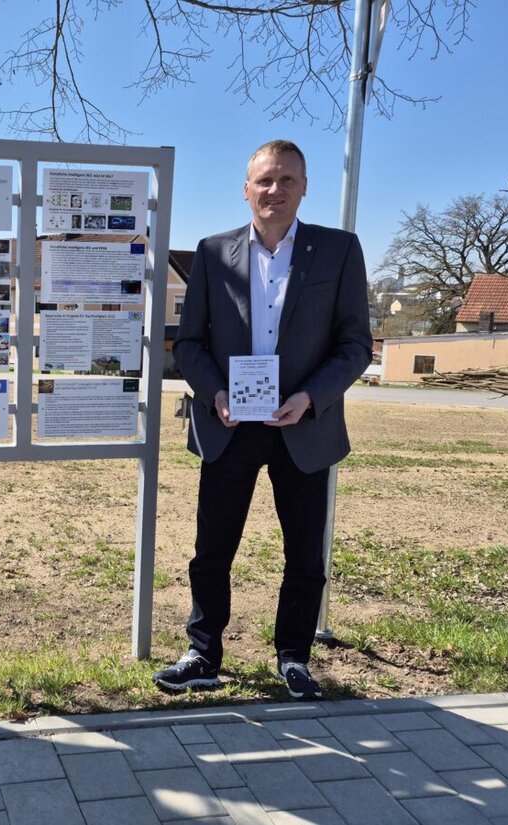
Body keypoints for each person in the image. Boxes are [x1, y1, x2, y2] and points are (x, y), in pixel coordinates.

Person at [153, 140, 372, 700]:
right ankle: (203, 654)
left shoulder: (340, 251)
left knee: (304, 554)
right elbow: (190, 343)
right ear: (246, 188)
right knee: (212, 550)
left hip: (304, 425)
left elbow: (354, 346)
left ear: (304, 187)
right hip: (230, 426)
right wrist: (216, 392)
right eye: (265, 181)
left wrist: (310, 398)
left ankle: (293, 657)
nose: (275, 190)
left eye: (287, 180)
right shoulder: (210, 251)